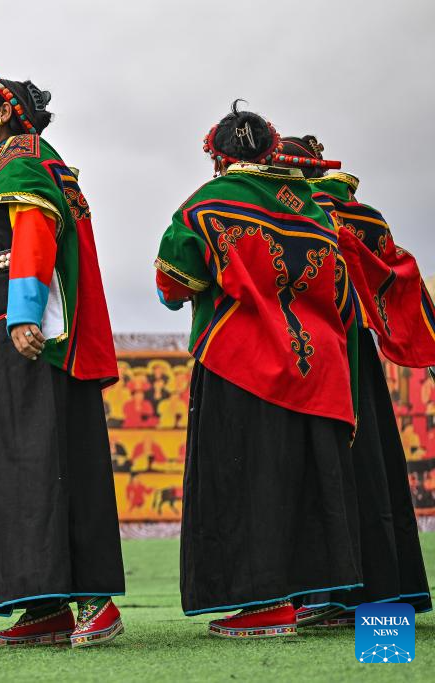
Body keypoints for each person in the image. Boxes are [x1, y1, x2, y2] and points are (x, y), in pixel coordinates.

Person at [154, 102, 362, 639]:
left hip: (241, 359)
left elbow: (174, 280)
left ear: (217, 158)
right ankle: (311, 597)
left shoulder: (207, 203)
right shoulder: (313, 210)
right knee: (303, 480)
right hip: (318, 365)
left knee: (244, 479)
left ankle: (264, 604)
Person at [0, 72, 124, 649]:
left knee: (51, 463)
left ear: (5, 112)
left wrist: (25, 315)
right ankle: (43, 605)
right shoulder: (0, 170)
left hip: (24, 341)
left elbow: (34, 232)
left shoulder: (25, 163)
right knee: (16, 475)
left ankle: (94, 600)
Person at [274, 136, 435, 626]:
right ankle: (384, 597)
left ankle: (326, 596)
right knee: (369, 468)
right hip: (357, 350)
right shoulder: (360, 215)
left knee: (319, 466)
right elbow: (399, 273)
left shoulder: (292, 213)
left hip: (306, 351)